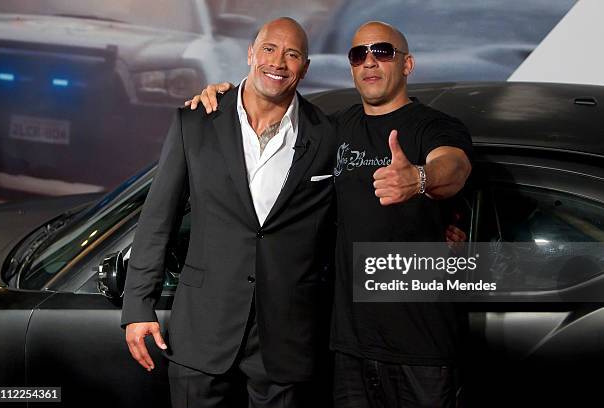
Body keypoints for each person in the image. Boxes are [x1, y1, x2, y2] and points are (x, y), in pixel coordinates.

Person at [187, 21, 472, 408]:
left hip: (421, 346)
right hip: (345, 346)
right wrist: (223, 95)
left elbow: (453, 167)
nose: (370, 62)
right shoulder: (333, 128)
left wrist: (419, 178)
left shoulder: (433, 126)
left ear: (407, 65)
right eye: (359, 55)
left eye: (383, 52)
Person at [121, 17, 339, 408]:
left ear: (304, 68)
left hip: (286, 340)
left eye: (292, 54)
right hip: (202, 331)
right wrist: (138, 306)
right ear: (251, 54)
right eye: (269, 49)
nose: (278, 62)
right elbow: (158, 220)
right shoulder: (196, 120)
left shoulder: (328, 136)